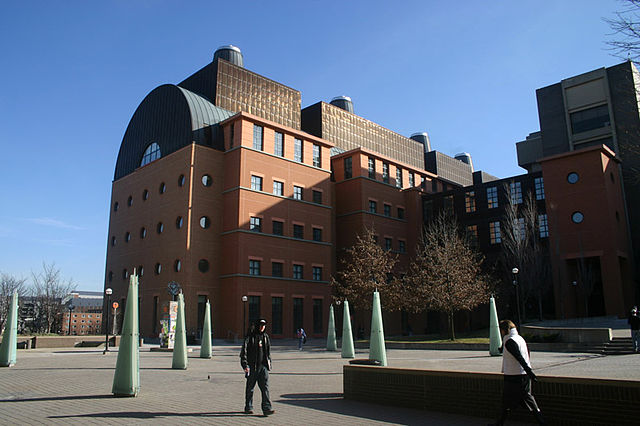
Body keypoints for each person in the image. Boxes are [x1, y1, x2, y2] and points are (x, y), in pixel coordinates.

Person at [489, 320, 545, 426]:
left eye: (501, 330)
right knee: (519, 400)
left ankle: (542, 422)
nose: (500, 332)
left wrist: (530, 372)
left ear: (505, 330)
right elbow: (526, 354)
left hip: (514, 375)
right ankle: (500, 423)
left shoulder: (510, 341)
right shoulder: (519, 339)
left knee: (513, 400)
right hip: (520, 374)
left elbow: (519, 357)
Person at [240, 319, 275, 415]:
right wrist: (245, 365)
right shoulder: (250, 337)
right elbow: (244, 352)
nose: (262, 327)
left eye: (264, 325)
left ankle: (267, 408)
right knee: (250, 388)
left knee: (265, 388)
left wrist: (268, 364)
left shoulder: (265, 337)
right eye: (260, 325)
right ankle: (248, 407)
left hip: (263, 367)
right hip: (252, 367)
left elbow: (267, 352)